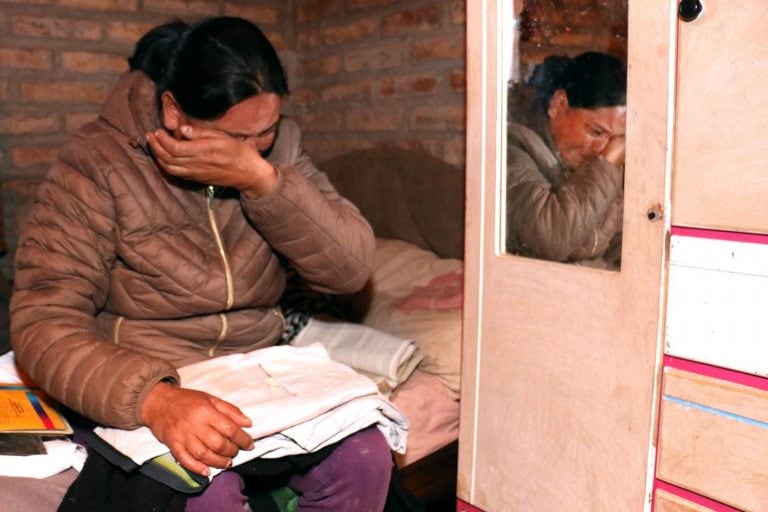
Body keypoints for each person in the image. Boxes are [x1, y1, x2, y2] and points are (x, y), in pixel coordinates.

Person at [9, 16, 394, 511]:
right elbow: (43, 321)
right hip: (145, 372)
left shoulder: (281, 152)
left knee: (366, 457)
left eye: (268, 130)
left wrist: (264, 182)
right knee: (206, 490)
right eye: (235, 136)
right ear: (174, 112)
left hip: (257, 372)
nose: (255, 147)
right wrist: (154, 399)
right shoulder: (97, 162)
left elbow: (349, 271)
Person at [505, 51, 627, 269]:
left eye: (615, 140)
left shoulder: (592, 166)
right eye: (596, 132)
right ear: (558, 104)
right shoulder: (511, 150)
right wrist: (606, 166)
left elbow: (620, 243)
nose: (603, 149)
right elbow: (551, 237)